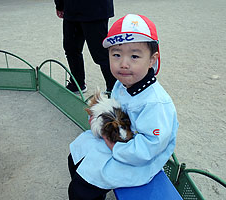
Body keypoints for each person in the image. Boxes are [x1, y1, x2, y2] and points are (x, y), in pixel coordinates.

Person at [67, 14, 179, 199]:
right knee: (75, 155)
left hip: (138, 159)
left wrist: (113, 145)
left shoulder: (156, 103)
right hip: (120, 140)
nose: (124, 63)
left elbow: (150, 147)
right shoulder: (122, 83)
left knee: (81, 188)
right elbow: (117, 109)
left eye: (134, 56)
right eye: (116, 54)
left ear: (152, 59)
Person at [54, 0, 116, 94]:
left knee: (101, 54)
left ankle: (114, 89)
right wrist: (60, 5)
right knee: (71, 49)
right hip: (72, 9)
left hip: (95, 9)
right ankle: (77, 83)